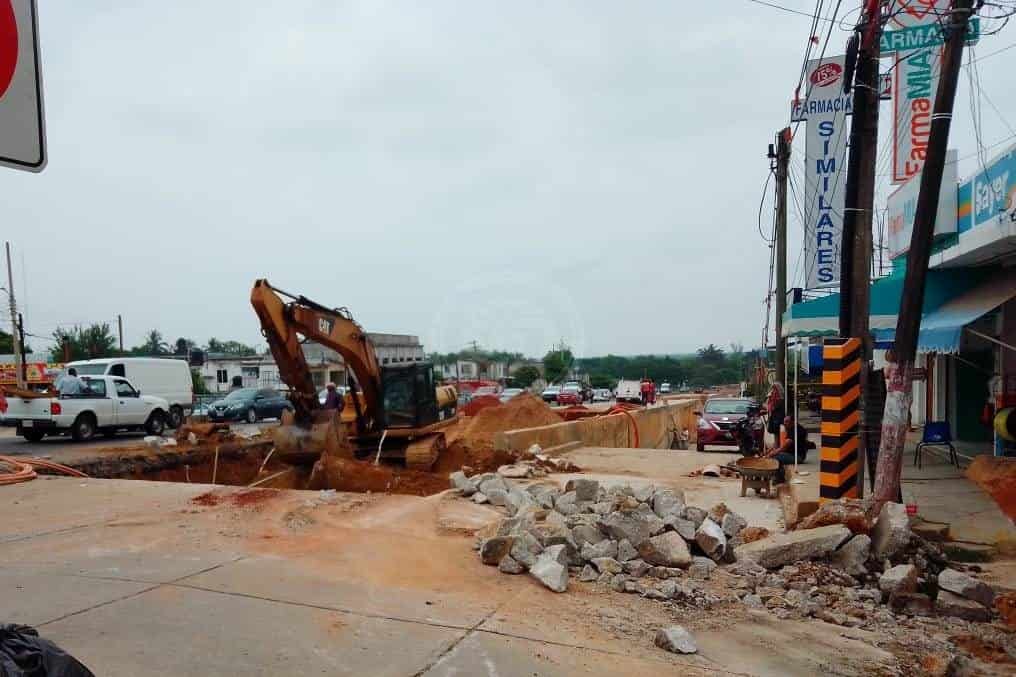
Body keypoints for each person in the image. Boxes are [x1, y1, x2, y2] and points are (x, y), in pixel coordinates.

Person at [764, 415, 814, 479]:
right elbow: (782, 445)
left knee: (773, 458)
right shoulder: (792, 428)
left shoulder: (796, 430)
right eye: (784, 421)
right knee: (772, 455)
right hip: (791, 454)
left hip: (797, 457)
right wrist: (772, 449)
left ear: (793, 422)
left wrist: (774, 452)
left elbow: (784, 446)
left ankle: (777, 478)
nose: (784, 423)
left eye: (787, 422)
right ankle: (776, 476)